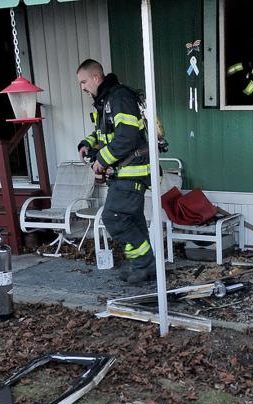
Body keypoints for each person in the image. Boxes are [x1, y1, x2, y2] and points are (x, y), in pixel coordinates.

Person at [76, 59, 155, 284]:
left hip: (132, 171)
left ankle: (143, 264)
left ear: (96, 77)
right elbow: (103, 133)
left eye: (83, 82)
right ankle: (147, 268)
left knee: (114, 217)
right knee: (133, 219)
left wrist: (101, 160)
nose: (82, 87)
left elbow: (126, 136)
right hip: (124, 173)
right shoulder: (106, 101)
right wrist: (87, 144)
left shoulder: (119, 98)